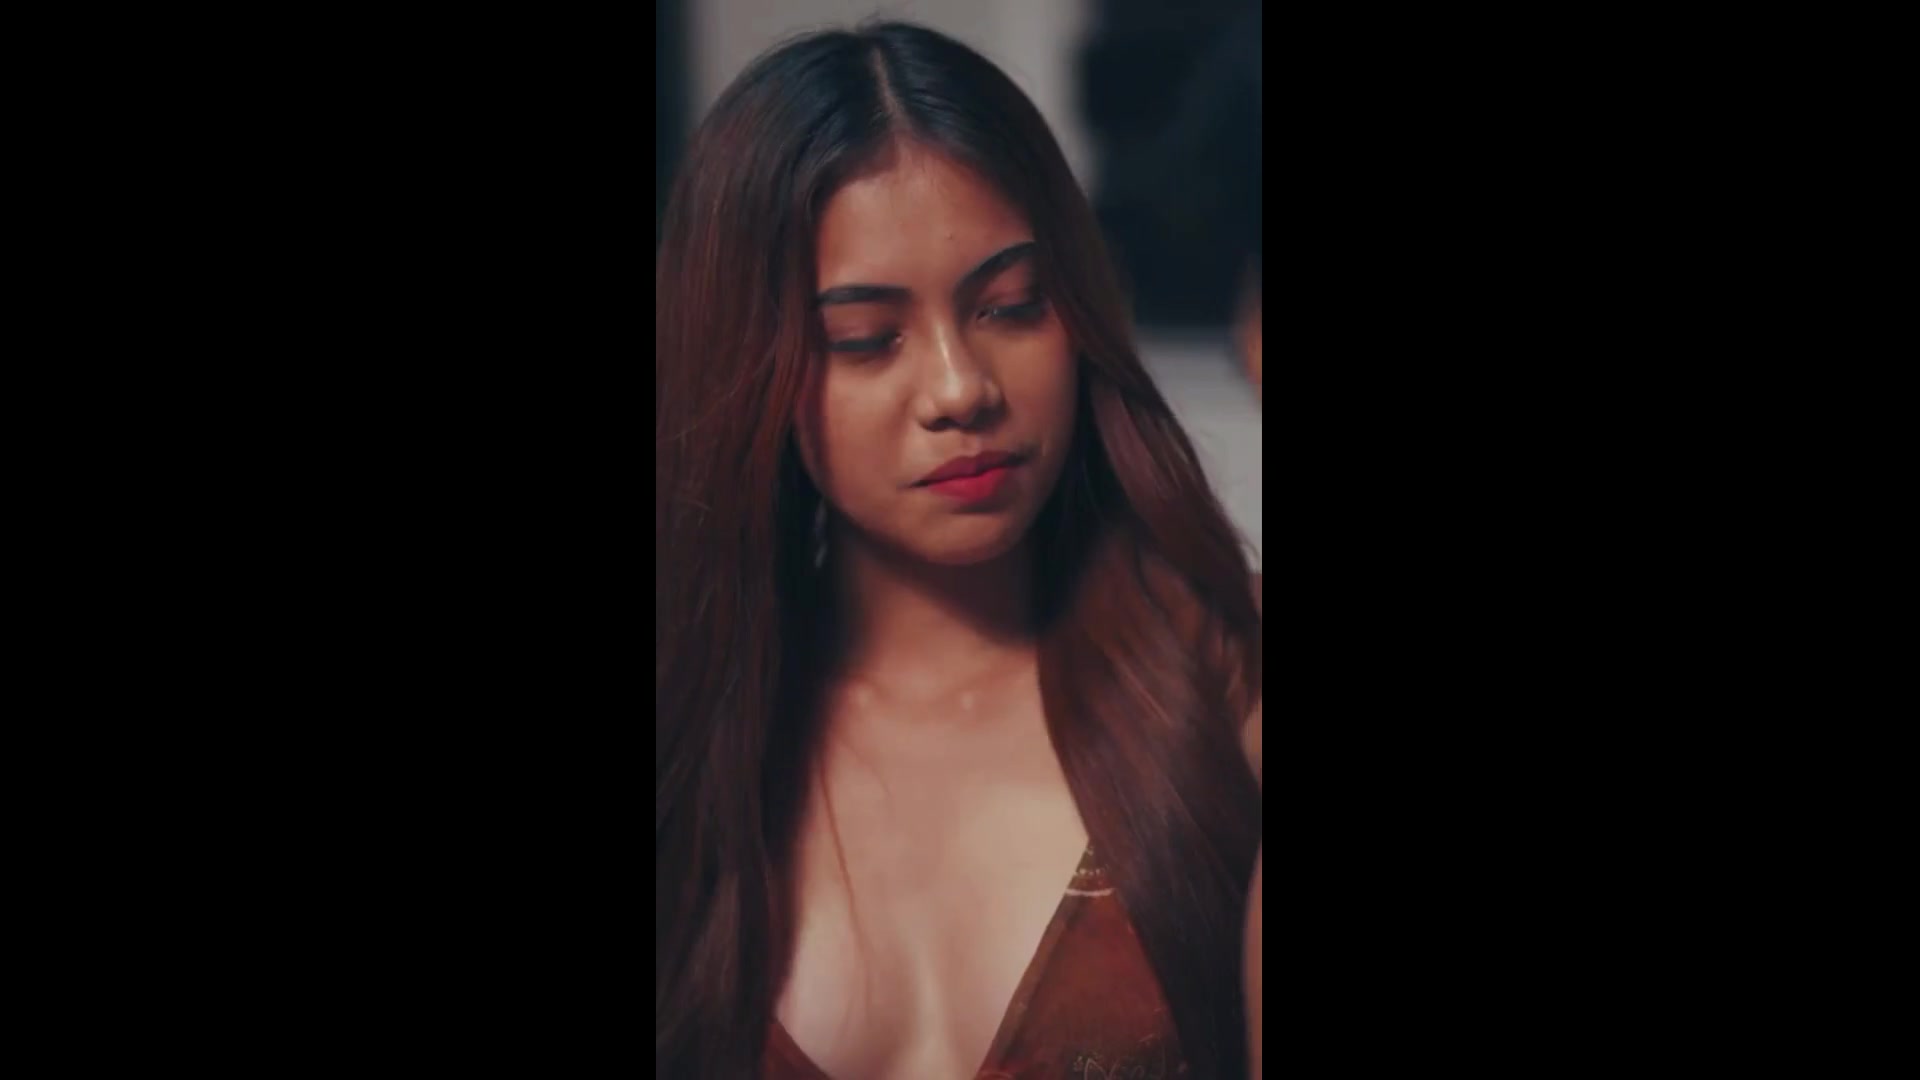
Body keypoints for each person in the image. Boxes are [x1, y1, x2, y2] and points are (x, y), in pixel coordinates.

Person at [656, 21, 1264, 1078]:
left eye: (1010, 308)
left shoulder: (1223, 669)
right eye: (866, 339)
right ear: (750, 360)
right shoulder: (692, 727)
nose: (959, 387)